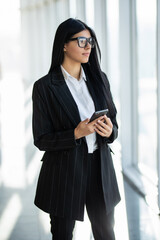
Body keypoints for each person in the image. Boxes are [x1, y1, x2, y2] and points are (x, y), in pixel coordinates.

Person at [32, 18, 121, 240]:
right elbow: (41, 139)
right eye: (82, 41)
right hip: (64, 171)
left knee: (106, 233)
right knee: (62, 234)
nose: (88, 46)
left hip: (99, 169)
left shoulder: (100, 80)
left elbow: (115, 125)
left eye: (90, 41)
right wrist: (75, 134)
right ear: (64, 44)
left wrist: (109, 132)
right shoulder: (44, 87)